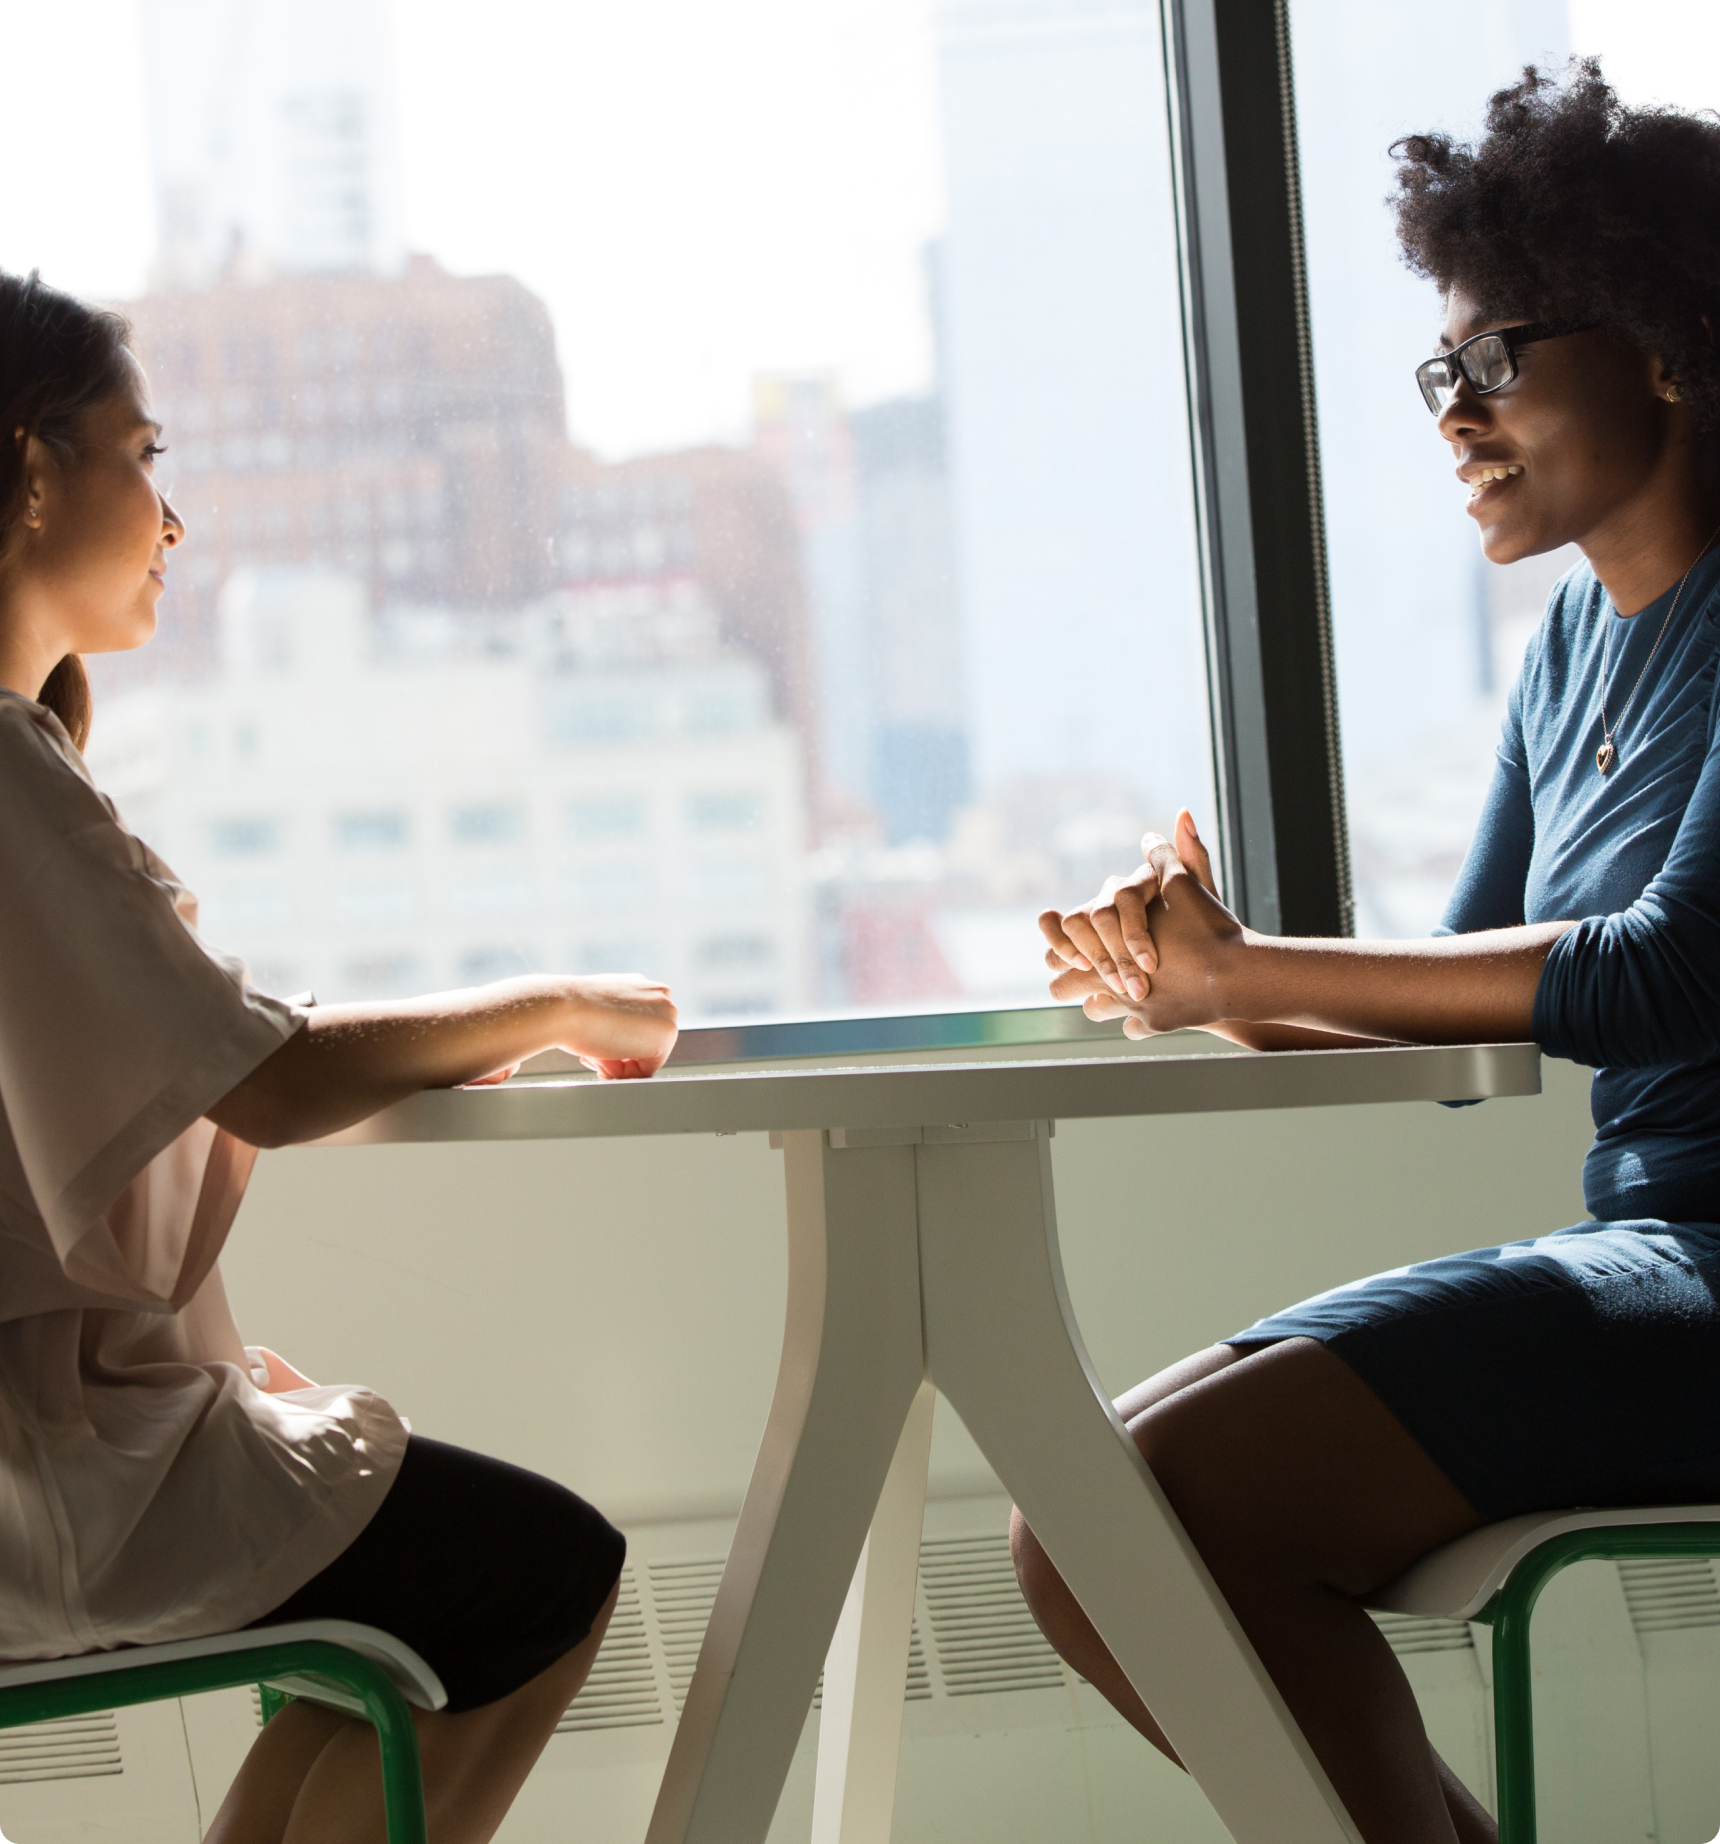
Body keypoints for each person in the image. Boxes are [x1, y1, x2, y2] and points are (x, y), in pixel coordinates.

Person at [1016, 59, 1720, 1844]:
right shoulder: (1571, 646)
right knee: (1083, 1529)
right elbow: (1465, 1010)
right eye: (1441, 373)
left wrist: (1253, 974)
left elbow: (1657, 977)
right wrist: (1197, 979)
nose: (1453, 413)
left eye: (1493, 363)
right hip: (1650, 1241)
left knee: (1151, 1525)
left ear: (1661, 341)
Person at [0, 267, 680, 1843]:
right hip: (47, 1484)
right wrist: (559, 1002)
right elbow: (271, 1078)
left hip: (62, 1445)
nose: (174, 520)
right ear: (33, 469)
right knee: (541, 1574)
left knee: (387, 1620)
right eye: (146, 454)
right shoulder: (7, 773)